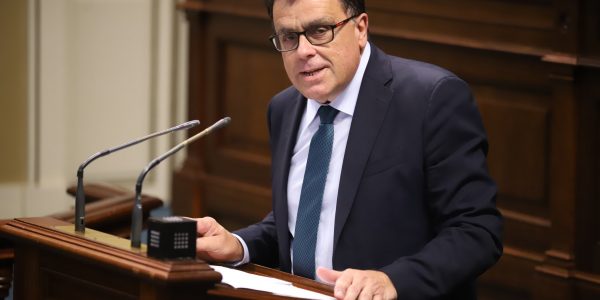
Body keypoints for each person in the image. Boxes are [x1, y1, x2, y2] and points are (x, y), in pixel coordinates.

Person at [194, 0, 503, 299]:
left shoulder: (431, 99)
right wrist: (239, 244)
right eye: (289, 36)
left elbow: (477, 231)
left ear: (360, 28)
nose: (304, 51)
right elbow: (306, 220)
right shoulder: (284, 107)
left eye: (320, 31)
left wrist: (392, 281)